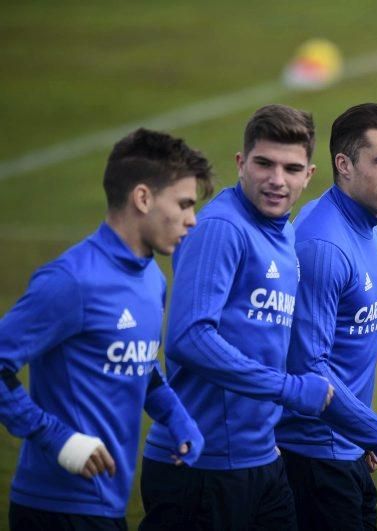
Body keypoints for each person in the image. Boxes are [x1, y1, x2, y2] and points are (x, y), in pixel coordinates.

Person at [0, 128, 212, 530]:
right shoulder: (71, 281)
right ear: (143, 197)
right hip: (54, 509)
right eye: (184, 204)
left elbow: (140, 363)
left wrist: (175, 415)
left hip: (107, 507)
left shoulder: (153, 279)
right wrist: (57, 438)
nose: (192, 219)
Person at [140, 105, 334, 530]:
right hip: (203, 467)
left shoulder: (281, 231)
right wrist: (288, 389)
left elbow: (261, 342)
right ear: (241, 164)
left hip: (259, 458)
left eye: (291, 167)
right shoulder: (221, 229)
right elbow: (189, 337)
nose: (277, 179)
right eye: (264, 163)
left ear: (309, 174)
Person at [276, 103, 377, 530]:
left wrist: (361, 432)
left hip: (346, 444)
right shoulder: (323, 246)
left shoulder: (367, 222)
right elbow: (308, 367)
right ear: (343, 165)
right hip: (312, 458)